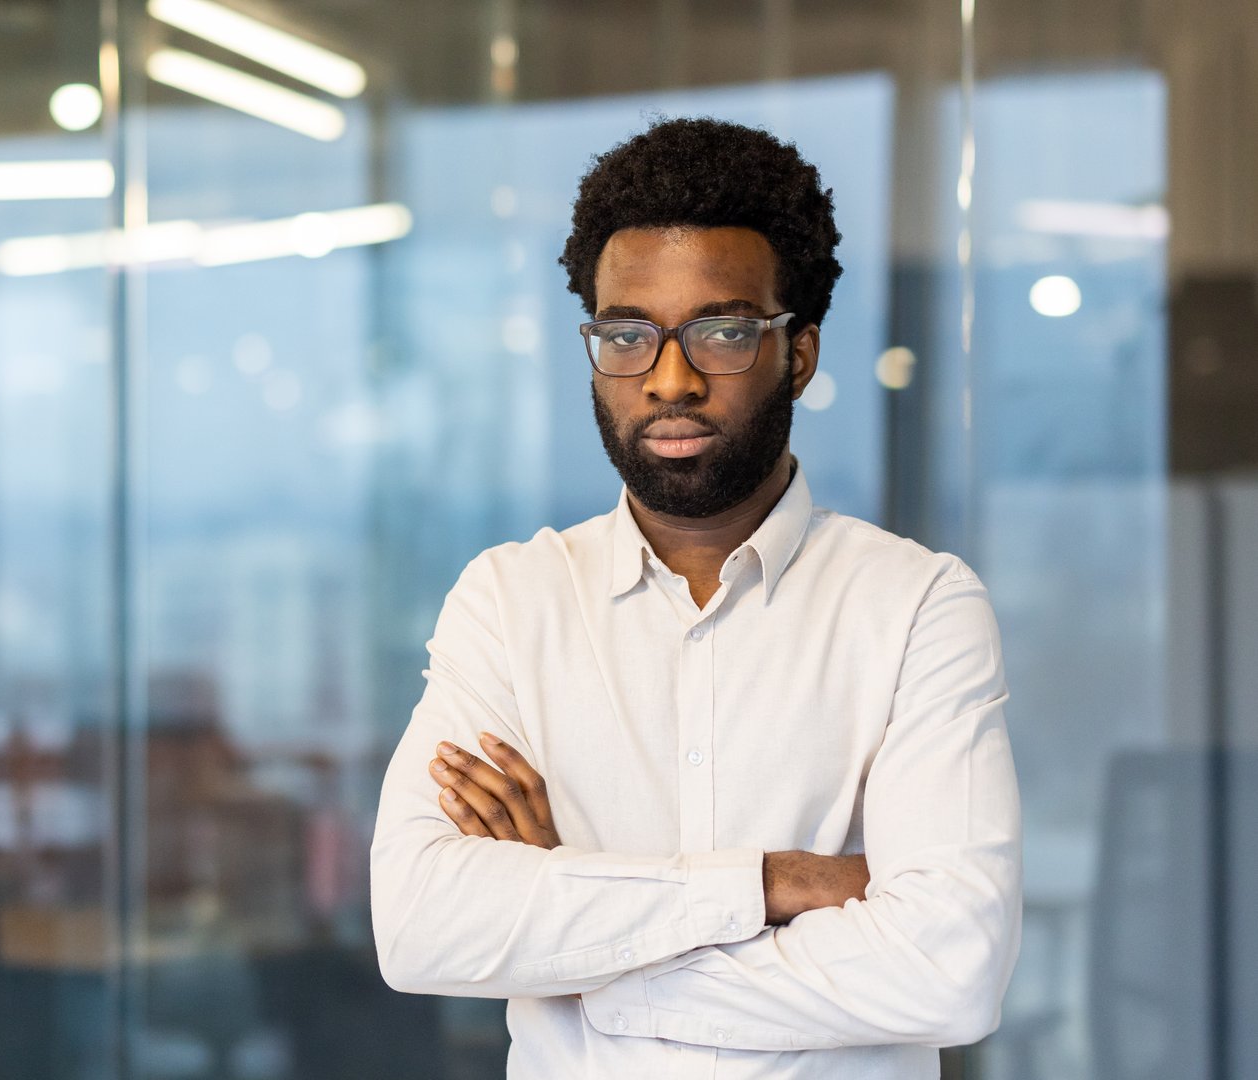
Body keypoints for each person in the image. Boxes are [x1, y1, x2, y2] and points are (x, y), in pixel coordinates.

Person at [369, 116, 1021, 1078]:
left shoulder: (917, 606)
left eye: (719, 331)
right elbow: (424, 927)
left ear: (796, 352)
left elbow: (949, 970)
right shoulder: (511, 601)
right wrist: (771, 885)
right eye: (628, 335)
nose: (669, 379)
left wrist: (583, 952)